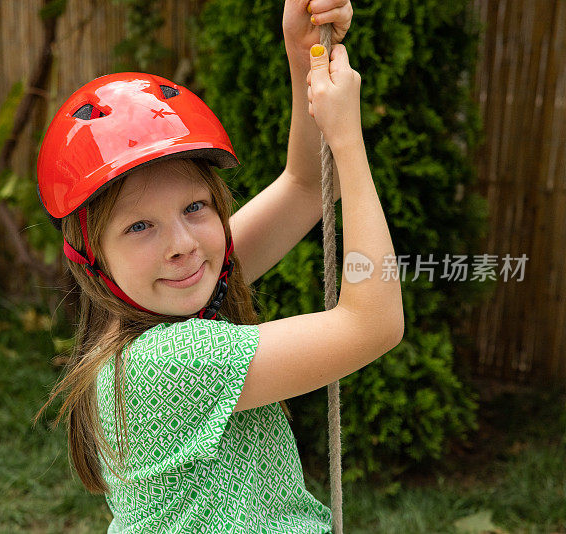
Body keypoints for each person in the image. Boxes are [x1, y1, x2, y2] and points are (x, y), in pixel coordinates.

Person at [33, 0, 403, 531]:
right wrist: (349, 140)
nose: (182, 244)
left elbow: (304, 187)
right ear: (90, 256)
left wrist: (303, 54)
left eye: (194, 208)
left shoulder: (178, 290)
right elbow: (374, 323)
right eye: (140, 227)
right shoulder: (168, 361)